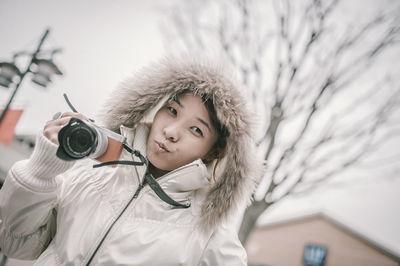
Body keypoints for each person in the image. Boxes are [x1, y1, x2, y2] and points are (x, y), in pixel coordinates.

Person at [0, 57, 261, 265]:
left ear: (214, 152)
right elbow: (17, 244)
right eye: (172, 111)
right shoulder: (90, 174)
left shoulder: (209, 235)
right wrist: (41, 172)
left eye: (196, 130)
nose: (171, 131)